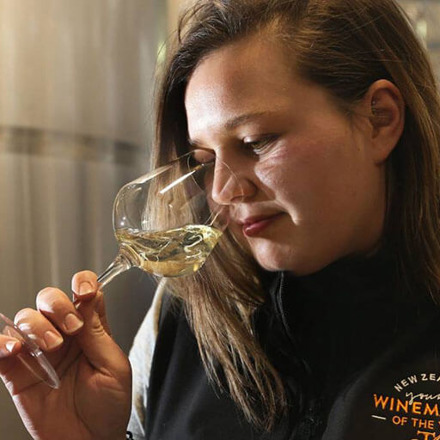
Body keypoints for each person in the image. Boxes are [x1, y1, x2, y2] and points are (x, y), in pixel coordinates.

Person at [1, 0, 440, 438]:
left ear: (379, 119)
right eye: (203, 160)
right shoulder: (184, 312)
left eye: (256, 142)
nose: (222, 192)